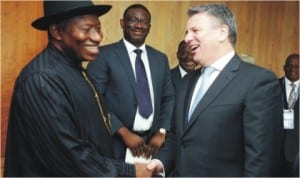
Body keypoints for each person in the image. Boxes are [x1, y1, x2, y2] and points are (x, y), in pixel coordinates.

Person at [4, 1, 152, 177]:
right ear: (57, 32)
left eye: (98, 29)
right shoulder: (42, 79)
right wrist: (130, 171)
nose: (98, 37)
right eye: (87, 29)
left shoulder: (76, 69)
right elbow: (66, 157)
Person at [148, 4, 284, 176]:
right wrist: (160, 162)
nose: (188, 38)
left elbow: (261, 160)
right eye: (186, 32)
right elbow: (177, 137)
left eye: (195, 30)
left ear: (222, 32)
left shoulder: (258, 82)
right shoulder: (186, 82)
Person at [87, 4, 175, 164]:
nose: (139, 25)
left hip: (152, 145)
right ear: (122, 23)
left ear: (149, 27)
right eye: (133, 20)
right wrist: (123, 132)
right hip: (114, 145)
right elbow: (93, 99)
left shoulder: (160, 59)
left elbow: (168, 97)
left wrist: (162, 132)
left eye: (144, 21)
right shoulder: (103, 55)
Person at [278, 53, 299, 177]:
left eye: (297, 66)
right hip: (274, 152)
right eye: (290, 66)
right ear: (284, 67)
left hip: (297, 155)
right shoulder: (272, 87)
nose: (293, 70)